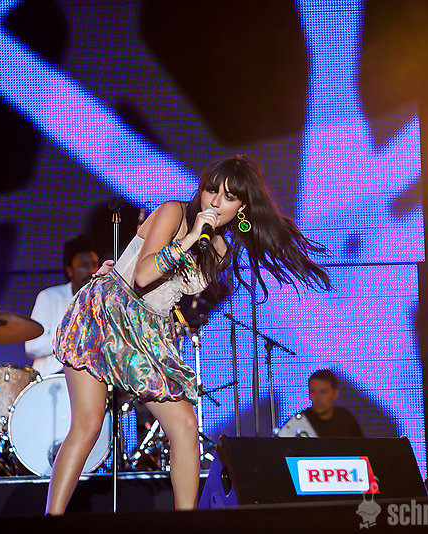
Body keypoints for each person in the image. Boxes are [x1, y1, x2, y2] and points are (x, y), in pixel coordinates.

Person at [45, 155, 332, 514]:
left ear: (242, 208)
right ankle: (51, 519)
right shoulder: (174, 213)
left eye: (228, 197)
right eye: (212, 190)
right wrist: (191, 237)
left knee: (184, 425)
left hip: (148, 331)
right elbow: (142, 276)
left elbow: (172, 293)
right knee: (87, 426)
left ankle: (188, 523)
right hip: (107, 313)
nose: (215, 202)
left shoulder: (220, 250)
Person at [24, 235, 100, 377]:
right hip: (51, 381)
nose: (91, 271)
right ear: (70, 270)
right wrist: (72, 338)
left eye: (95, 264)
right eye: (84, 265)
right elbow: (32, 346)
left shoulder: (102, 302)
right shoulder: (50, 296)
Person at [303, 369, 363, 438]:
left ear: (335, 394)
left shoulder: (346, 420)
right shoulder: (301, 421)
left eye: (323, 392)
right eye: (313, 391)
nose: (318, 397)